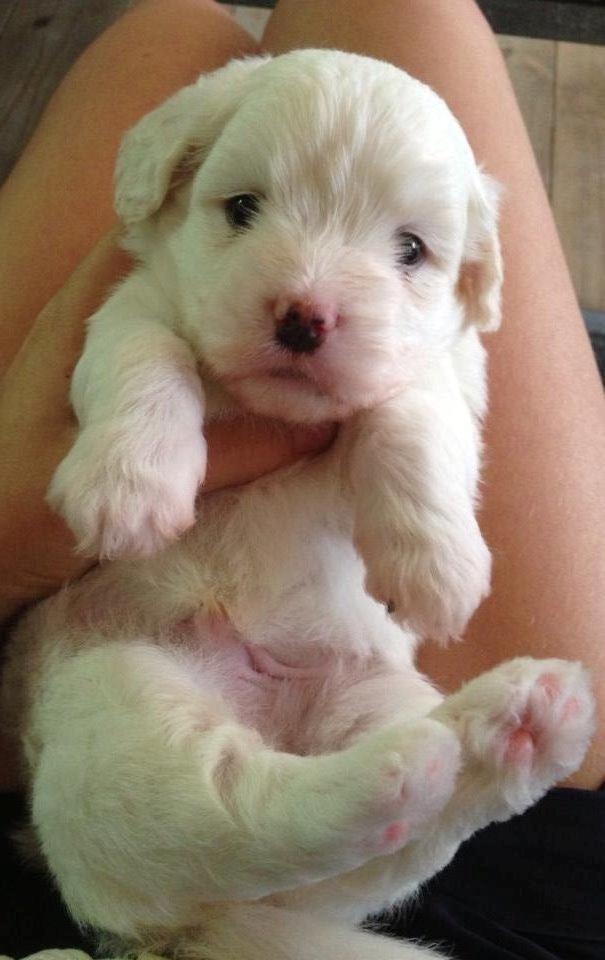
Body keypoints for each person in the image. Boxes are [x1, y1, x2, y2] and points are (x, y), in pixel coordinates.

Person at [0, 1, 603, 957]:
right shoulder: (160, 306)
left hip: (311, 672)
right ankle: (353, 805)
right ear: (175, 178)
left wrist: (422, 513)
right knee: (110, 708)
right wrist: (139, 420)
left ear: (471, 276)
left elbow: (434, 399)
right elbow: (130, 328)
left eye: (408, 250)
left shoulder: (431, 341)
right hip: (157, 673)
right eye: (244, 210)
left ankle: (386, 805)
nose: (308, 300)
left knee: (386, 718)